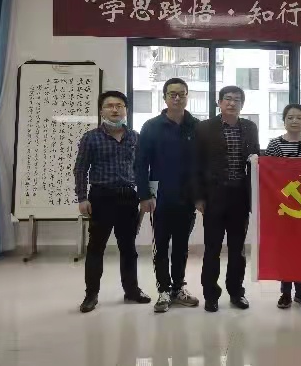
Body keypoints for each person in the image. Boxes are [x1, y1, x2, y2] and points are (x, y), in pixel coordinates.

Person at [74, 90, 151, 313]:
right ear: (101, 111)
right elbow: (81, 169)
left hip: (128, 197)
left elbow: (141, 169)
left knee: (128, 248)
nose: (115, 110)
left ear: (126, 110)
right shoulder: (91, 137)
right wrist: (82, 197)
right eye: (109, 106)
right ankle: (91, 295)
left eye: (119, 105)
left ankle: (131, 290)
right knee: (96, 248)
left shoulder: (135, 137)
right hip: (101, 197)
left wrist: (145, 195)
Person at [135, 78, 200, 313]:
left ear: (187, 96)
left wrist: (200, 195)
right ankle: (163, 289)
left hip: (187, 198)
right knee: (161, 245)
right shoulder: (151, 126)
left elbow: (202, 164)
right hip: (159, 198)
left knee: (181, 246)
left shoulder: (196, 126)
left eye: (182, 94)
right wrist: (144, 195)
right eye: (172, 94)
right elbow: (140, 164)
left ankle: (178, 288)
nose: (177, 98)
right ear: (164, 97)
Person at [193, 86, 260, 312]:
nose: (232, 103)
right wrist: (198, 197)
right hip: (214, 197)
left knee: (237, 249)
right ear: (219, 103)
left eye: (237, 100)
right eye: (228, 99)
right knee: (212, 248)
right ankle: (210, 295)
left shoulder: (250, 127)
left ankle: (236, 292)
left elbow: (255, 160)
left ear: (242, 104)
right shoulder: (204, 128)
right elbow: (196, 163)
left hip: (240, 197)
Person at [264, 103, 301, 309]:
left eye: (299, 117)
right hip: (283, 207)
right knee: (284, 250)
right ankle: (285, 292)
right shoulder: (274, 145)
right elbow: (269, 175)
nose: (295, 121)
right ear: (284, 121)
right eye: (290, 117)